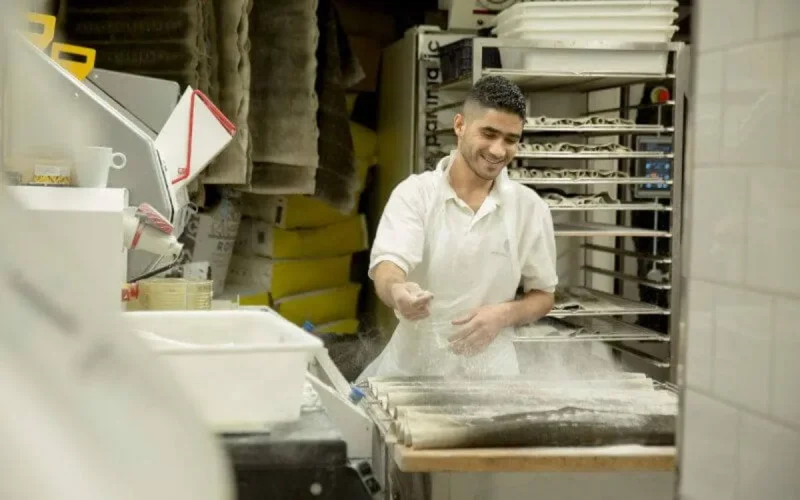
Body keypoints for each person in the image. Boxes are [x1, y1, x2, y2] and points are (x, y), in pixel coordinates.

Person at [358, 75, 558, 381]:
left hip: (492, 376)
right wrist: (398, 291)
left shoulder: (529, 208)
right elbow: (389, 266)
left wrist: (503, 314)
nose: (498, 150)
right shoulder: (416, 194)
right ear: (460, 125)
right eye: (488, 133)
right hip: (415, 370)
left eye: (510, 139)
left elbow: (543, 294)